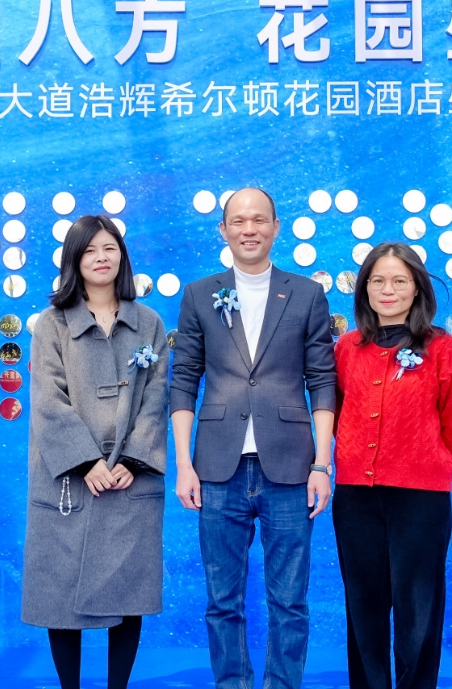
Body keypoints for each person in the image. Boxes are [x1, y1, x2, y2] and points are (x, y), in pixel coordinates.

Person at [170, 188, 337, 689]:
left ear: (276, 227)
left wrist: (322, 464)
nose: (249, 229)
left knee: (290, 600)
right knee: (222, 600)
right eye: (239, 221)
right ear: (223, 230)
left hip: (290, 465)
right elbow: (184, 380)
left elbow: (322, 381)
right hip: (216, 466)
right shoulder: (199, 294)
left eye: (259, 220)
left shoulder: (306, 294)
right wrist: (184, 464)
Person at [23, 214, 169, 689]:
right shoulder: (52, 324)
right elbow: (48, 400)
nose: (101, 258)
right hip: (69, 480)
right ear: (74, 261)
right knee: (61, 593)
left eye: (109, 248)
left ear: (122, 256)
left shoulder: (148, 322)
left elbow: (156, 398)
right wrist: (86, 461)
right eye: (89, 250)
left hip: (129, 479)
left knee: (128, 590)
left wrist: (133, 459)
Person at [331, 242, 452, 689]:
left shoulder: (441, 348)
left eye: (399, 280)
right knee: (364, 608)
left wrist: (433, 466)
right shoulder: (346, 349)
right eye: (377, 280)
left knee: (419, 611)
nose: (387, 290)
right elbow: (335, 413)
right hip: (356, 497)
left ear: (417, 288)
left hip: (421, 498)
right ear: (364, 289)